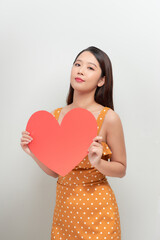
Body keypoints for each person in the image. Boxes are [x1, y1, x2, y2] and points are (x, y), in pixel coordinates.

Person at [20, 46, 127, 239]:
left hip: (99, 213)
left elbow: (121, 169)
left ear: (102, 80)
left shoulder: (109, 117)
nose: (80, 70)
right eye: (77, 64)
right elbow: (55, 171)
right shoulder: (54, 117)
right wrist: (33, 152)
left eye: (90, 68)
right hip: (64, 210)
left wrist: (98, 163)